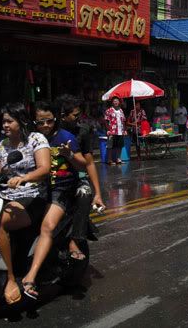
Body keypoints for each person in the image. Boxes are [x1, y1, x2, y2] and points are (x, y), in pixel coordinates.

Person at [21, 101, 87, 300]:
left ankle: (30, 277)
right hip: (35, 191)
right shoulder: (30, 140)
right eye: (41, 122)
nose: (46, 125)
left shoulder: (66, 138)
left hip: (61, 190)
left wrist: (69, 155)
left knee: (47, 227)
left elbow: (83, 164)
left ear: (55, 119)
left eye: (49, 121)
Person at [0, 103, 51, 304]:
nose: (6, 125)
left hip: (32, 195)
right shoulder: (3, 145)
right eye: (4, 121)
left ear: (21, 121)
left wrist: (24, 178)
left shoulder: (36, 139)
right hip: (6, 196)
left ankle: (10, 279)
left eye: (10, 121)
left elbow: (44, 169)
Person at [56, 95, 105, 261]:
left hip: (75, 177)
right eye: (75, 115)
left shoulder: (83, 130)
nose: (78, 119)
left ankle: (75, 239)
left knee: (84, 194)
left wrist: (97, 193)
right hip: (51, 179)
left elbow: (89, 163)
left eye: (79, 115)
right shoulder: (48, 132)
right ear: (62, 115)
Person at [104, 97, 126, 165]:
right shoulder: (109, 110)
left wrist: (124, 130)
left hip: (120, 130)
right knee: (110, 145)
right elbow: (106, 121)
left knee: (119, 145)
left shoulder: (121, 110)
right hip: (112, 130)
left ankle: (118, 159)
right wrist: (107, 130)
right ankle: (109, 160)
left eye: (117, 101)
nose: (116, 102)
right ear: (112, 102)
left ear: (119, 102)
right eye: (114, 101)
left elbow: (124, 121)